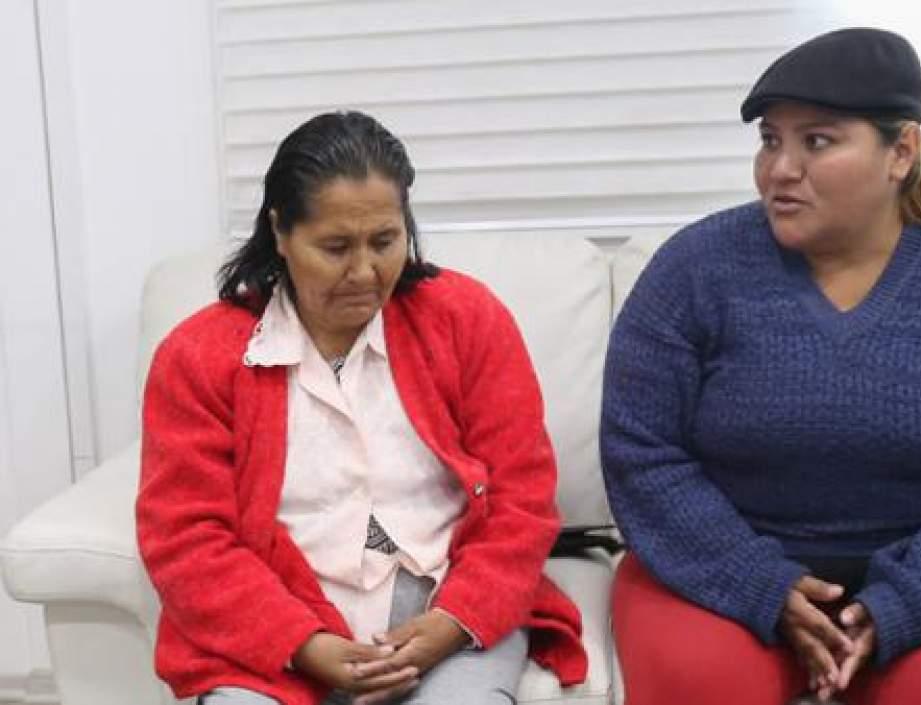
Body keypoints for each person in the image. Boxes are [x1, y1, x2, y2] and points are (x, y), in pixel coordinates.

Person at [601, 27, 921, 705]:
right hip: (718, 575)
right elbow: (641, 453)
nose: (780, 168)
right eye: (771, 140)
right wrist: (757, 583)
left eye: (818, 141)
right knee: (702, 686)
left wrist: (907, 602)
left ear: (902, 151)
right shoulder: (693, 269)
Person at [136, 111, 586, 705]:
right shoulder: (199, 357)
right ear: (280, 232)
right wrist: (305, 642)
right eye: (335, 247)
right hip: (277, 619)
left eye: (384, 242)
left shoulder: (467, 320)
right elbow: (187, 538)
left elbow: (521, 499)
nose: (365, 272)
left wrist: (453, 622)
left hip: (444, 605)